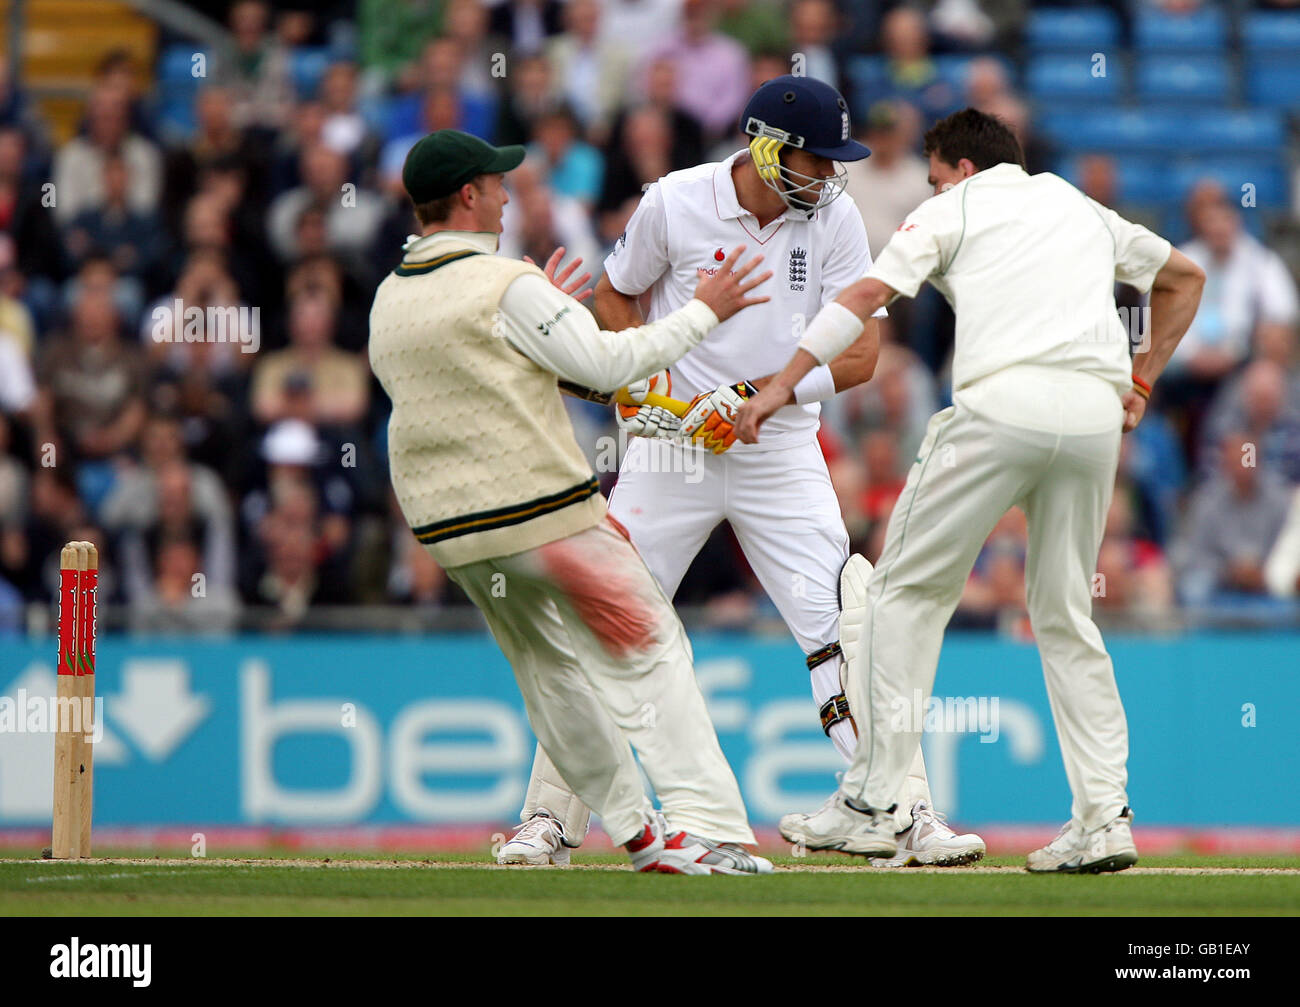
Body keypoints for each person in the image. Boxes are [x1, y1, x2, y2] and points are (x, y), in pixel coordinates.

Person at [498, 76, 985, 869]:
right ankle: (547, 819)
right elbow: (619, 306)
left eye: (836, 163)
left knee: (848, 619)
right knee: (608, 618)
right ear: (765, 147)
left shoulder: (834, 217)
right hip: (671, 449)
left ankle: (902, 811)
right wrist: (651, 387)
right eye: (815, 160)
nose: (828, 177)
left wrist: (767, 394)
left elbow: (861, 351)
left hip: (781, 446)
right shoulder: (673, 202)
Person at [736, 108, 1206, 873]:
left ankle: (873, 800)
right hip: (1093, 416)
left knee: (898, 596)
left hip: (1001, 406)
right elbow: (1186, 278)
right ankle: (1104, 818)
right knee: (1064, 614)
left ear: (957, 167)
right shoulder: (1076, 204)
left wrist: (779, 386)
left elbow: (861, 300)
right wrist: (1141, 378)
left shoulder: (951, 205)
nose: (927, 187)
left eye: (930, 174)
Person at [368, 128, 774, 875]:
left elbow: (501, 375)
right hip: (540, 515)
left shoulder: (391, 296)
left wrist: (548, 319)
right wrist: (703, 311)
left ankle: (641, 835)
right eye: (496, 185)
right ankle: (709, 826)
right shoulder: (502, 284)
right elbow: (607, 361)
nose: (505, 195)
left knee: (552, 672)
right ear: (467, 196)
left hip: (451, 534)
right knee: (650, 648)